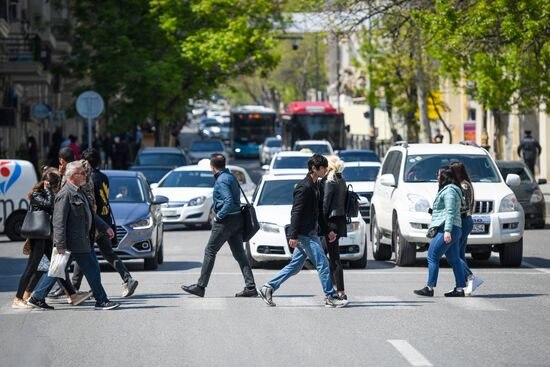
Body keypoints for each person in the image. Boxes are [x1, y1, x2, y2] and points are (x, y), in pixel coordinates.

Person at [258, 154, 348, 308]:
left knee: (295, 266)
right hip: (304, 234)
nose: (325, 170)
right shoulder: (304, 187)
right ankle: (330, 296)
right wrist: (293, 235)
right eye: (323, 168)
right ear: (314, 169)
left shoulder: (315, 186)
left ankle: (268, 288)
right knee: (323, 264)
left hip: (310, 232)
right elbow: (296, 212)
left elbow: (318, 213)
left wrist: (328, 230)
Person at [27, 161, 120, 310]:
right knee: (91, 270)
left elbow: (91, 215)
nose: (85, 175)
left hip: (81, 241)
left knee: (57, 270)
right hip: (73, 242)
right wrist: (60, 244)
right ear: (71, 176)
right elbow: (59, 222)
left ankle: (37, 297)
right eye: (81, 173)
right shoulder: (65, 195)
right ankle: (101, 300)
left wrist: (105, 227)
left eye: (84, 172)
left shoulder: (79, 191)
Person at [181, 153, 257, 298]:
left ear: (212, 167)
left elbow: (228, 201)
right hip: (237, 220)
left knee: (210, 251)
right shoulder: (230, 176)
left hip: (225, 221)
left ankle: (200, 286)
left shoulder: (221, 180)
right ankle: (251, 287)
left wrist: (218, 216)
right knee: (240, 255)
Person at [12, 169, 85, 308]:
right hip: (38, 237)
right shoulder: (36, 194)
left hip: (46, 236)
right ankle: (18, 298)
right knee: (31, 268)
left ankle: (73, 295)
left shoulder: (48, 194)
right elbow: (50, 204)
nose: (55, 188)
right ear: (47, 183)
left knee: (57, 267)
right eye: (53, 185)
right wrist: (48, 189)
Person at [71, 148, 139, 297]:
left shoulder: (89, 180)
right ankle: (128, 279)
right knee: (107, 253)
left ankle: (76, 287)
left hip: (95, 221)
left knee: (83, 252)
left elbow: (91, 203)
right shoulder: (103, 177)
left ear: (87, 162)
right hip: (105, 218)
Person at [414, 166, 466, 297]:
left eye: (438, 175)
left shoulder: (449, 192)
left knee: (432, 256)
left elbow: (450, 212)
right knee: (454, 259)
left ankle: (429, 288)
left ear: (445, 177)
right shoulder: (452, 190)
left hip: (447, 228)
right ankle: (460, 289)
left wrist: (447, 231)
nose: (437, 177)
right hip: (453, 228)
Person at [450, 161, 483, 296]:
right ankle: (463, 283)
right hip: (466, 219)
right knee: (460, 254)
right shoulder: (466, 183)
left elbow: (461, 205)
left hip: (463, 220)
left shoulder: (462, 185)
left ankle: (470, 278)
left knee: (455, 254)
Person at [320, 156, 348, 300]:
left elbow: (325, 206)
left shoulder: (329, 182)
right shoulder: (341, 180)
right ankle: (336, 289)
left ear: (329, 168)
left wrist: (322, 224)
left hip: (330, 224)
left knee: (332, 258)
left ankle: (338, 291)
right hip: (338, 222)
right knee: (327, 257)